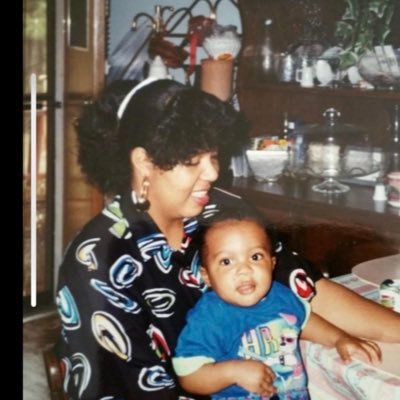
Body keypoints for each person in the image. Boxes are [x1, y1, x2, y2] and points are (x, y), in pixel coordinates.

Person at [55, 77, 400, 400]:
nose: (213, 173)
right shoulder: (98, 261)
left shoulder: (221, 211)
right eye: (193, 162)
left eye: (213, 156)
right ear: (143, 162)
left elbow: (305, 289)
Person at [172, 208, 381, 400]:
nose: (244, 270)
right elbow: (188, 375)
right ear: (206, 276)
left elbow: (304, 319)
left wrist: (338, 338)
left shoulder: (280, 296)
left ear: (272, 264)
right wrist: (232, 371)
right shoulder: (210, 318)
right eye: (227, 261)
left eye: (255, 257)